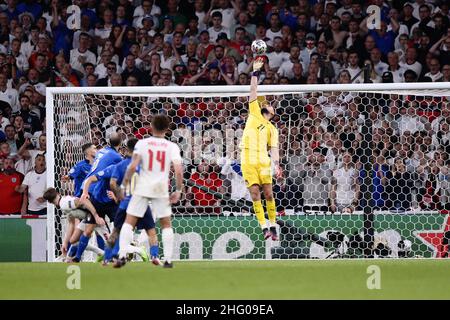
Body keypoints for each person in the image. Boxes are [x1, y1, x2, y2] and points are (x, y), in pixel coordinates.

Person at [114, 114, 183, 268]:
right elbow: (178, 170)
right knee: (166, 224)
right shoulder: (172, 146)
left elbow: (132, 166)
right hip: (160, 188)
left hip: (142, 187)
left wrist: (124, 186)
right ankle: (168, 260)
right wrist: (178, 190)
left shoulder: (143, 144)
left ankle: (122, 256)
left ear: (151, 126)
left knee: (129, 222)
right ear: (167, 129)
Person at [239, 57, 282, 240]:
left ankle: (273, 225)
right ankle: (263, 226)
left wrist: (277, 165)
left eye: (270, 105)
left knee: (269, 194)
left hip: (263, 159)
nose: (267, 104)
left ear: (273, 114)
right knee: (255, 194)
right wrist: (255, 72)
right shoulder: (255, 113)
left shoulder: (273, 129)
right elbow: (253, 91)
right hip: (248, 158)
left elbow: (274, 149)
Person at [106, 138, 160, 265]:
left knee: (117, 230)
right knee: (151, 231)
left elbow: (112, 184)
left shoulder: (120, 165)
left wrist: (119, 194)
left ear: (126, 149)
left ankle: (108, 258)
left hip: (125, 203)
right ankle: (155, 256)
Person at [42, 187, 106, 262]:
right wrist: (65, 243)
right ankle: (102, 253)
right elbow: (71, 224)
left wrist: (96, 216)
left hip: (95, 213)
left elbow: (84, 201)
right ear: (58, 194)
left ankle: (113, 255)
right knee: (73, 240)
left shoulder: (65, 203)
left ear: (49, 202)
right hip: (88, 216)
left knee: (108, 238)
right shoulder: (63, 203)